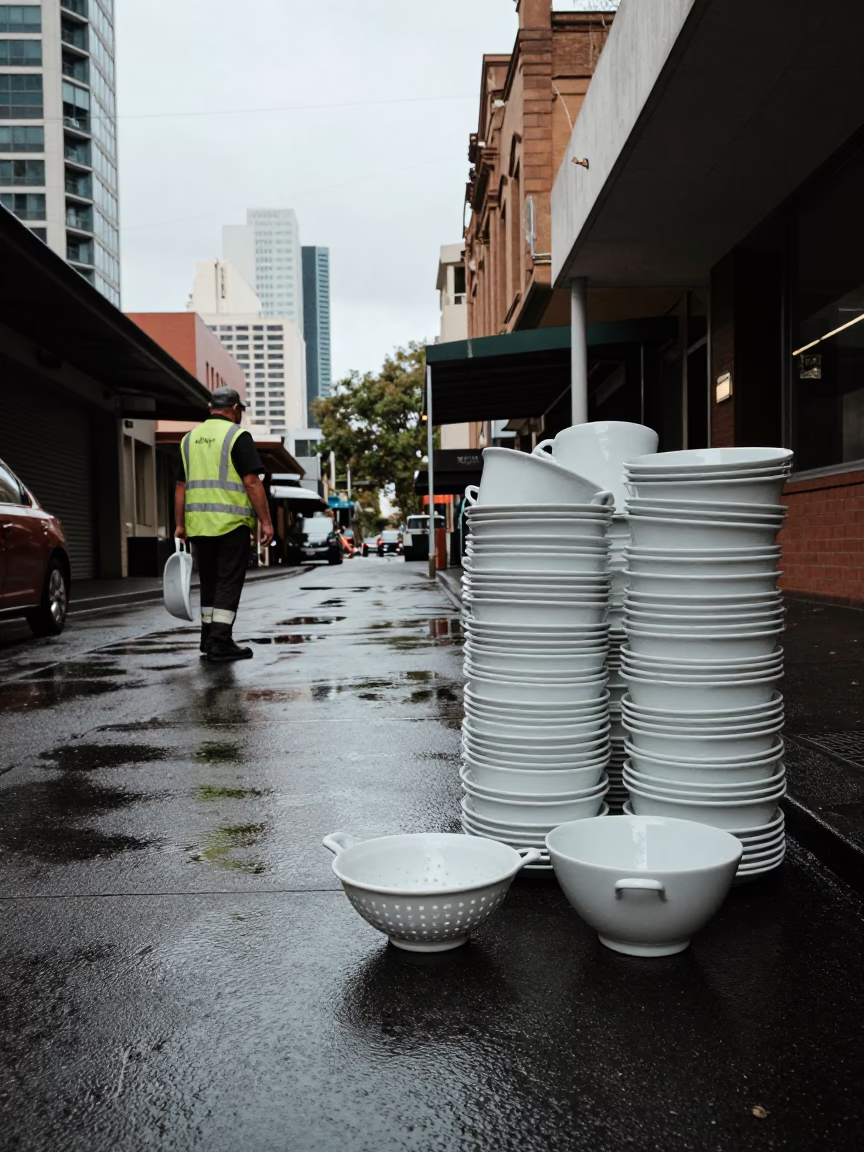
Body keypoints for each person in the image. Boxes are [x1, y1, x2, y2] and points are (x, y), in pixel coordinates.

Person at [174, 387, 274, 661]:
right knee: (228, 580)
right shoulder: (237, 436)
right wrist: (266, 522)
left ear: (210, 408)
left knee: (209, 581)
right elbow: (252, 482)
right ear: (235, 408)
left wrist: (179, 525)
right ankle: (220, 642)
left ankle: (208, 638)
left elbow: (181, 486)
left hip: (198, 526)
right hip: (230, 524)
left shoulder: (188, 439)